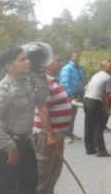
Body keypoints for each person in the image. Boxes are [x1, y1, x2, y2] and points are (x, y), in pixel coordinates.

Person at [0, 46, 49, 194]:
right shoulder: (3, 90)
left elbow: (40, 100)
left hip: (26, 143)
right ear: (9, 66)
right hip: (8, 147)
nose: (28, 61)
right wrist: (10, 146)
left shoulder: (25, 83)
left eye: (28, 58)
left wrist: (42, 78)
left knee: (29, 185)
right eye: (22, 59)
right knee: (6, 188)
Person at [32, 54, 73, 194]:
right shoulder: (45, 83)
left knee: (53, 173)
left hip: (56, 134)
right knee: (42, 176)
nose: (61, 63)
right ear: (47, 64)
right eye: (58, 61)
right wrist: (50, 134)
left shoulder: (54, 81)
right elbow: (43, 110)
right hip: (46, 136)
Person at [83, 60, 111, 157]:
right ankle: (101, 151)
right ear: (103, 67)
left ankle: (90, 149)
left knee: (88, 125)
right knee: (97, 127)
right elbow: (106, 95)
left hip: (86, 99)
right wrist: (106, 108)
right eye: (109, 66)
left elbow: (86, 88)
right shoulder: (108, 77)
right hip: (95, 102)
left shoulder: (96, 75)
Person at [58, 53, 84, 144]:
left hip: (76, 95)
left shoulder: (78, 68)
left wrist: (81, 93)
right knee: (67, 116)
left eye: (78, 56)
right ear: (71, 57)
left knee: (73, 115)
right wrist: (70, 95)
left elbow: (81, 81)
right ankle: (65, 135)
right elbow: (64, 83)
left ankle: (70, 133)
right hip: (69, 96)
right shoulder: (67, 68)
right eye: (75, 56)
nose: (77, 57)